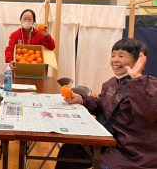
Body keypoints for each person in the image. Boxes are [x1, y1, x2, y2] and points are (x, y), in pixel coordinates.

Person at [55, 38, 157, 169]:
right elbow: (102, 105)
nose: (115, 60)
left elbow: (149, 111)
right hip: (104, 141)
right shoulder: (111, 83)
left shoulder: (149, 85)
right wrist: (82, 99)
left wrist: (137, 78)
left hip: (130, 152)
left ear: (137, 60)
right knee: (69, 150)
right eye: (113, 55)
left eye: (121, 56)